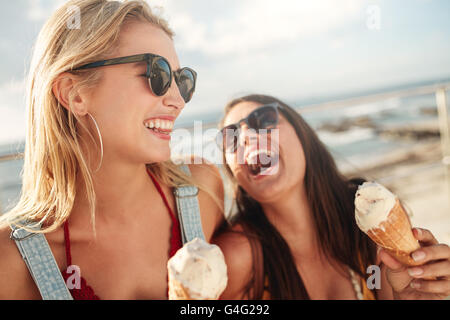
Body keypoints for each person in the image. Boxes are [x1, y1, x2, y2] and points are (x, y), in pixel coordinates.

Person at [0, 0, 224, 300]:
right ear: (75, 94)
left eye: (182, 80)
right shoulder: (11, 262)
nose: (178, 100)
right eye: (156, 74)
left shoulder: (202, 192)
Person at [212, 94, 450, 300]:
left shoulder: (372, 226)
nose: (245, 137)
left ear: (302, 134)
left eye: (264, 120)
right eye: (229, 138)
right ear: (234, 172)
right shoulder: (236, 258)